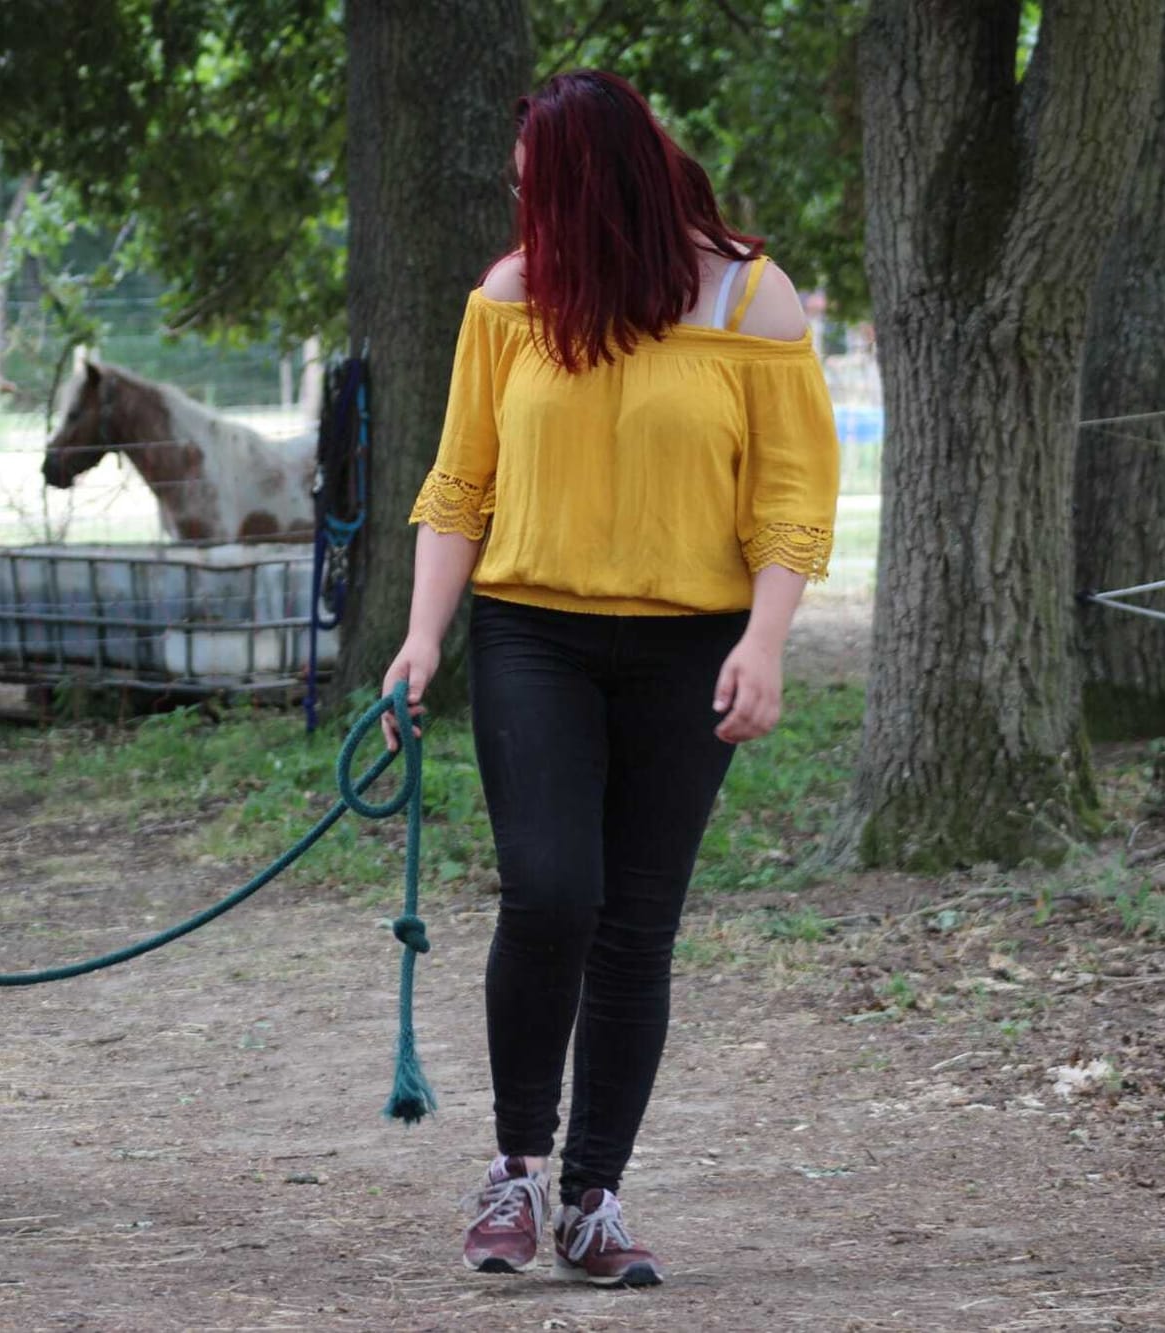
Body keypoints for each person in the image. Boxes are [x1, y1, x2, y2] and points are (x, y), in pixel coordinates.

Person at [381, 69, 838, 1288]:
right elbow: (459, 482)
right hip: (533, 632)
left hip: (691, 645)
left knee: (636, 927)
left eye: (539, 190)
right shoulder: (514, 296)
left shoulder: (753, 301)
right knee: (549, 893)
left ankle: (593, 1196)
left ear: (602, 185)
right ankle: (514, 1170)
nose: (521, 211)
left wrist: (765, 639)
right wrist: (424, 636)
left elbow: (793, 495)